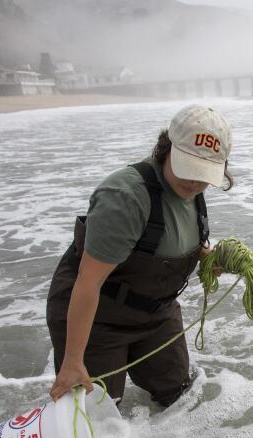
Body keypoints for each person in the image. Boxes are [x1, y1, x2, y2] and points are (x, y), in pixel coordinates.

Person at [46, 105, 233, 406]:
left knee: (179, 399)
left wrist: (208, 256)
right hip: (98, 318)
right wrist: (72, 361)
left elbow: (169, 240)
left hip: (157, 314)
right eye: (189, 168)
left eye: (204, 173)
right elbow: (88, 282)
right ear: (167, 148)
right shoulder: (125, 197)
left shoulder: (193, 193)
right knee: (99, 419)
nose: (195, 183)